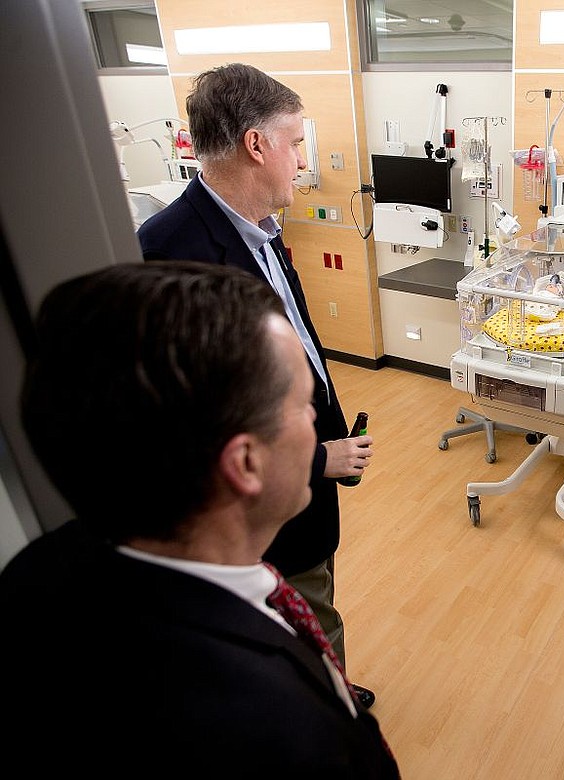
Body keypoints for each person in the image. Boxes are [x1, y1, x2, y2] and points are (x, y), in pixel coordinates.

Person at [0, 262, 399, 776]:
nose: (319, 425)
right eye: (304, 405)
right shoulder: (275, 731)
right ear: (245, 463)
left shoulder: (40, 568)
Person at [137, 63, 376, 707]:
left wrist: (326, 435)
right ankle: (328, 710)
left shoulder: (265, 234)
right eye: (296, 141)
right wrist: (313, 456)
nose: (304, 158)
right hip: (255, 503)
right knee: (293, 622)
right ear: (256, 145)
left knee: (318, 598)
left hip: (309, 474)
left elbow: (294, 344)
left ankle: (331, 687)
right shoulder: (170, 254)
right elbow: (193, 418)